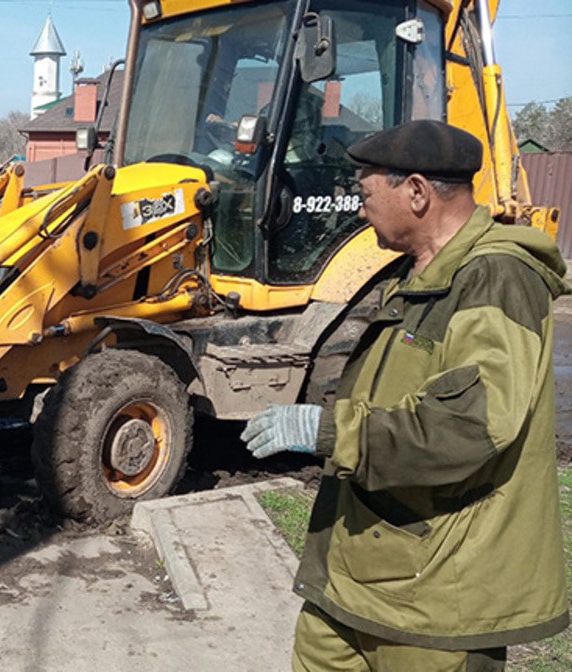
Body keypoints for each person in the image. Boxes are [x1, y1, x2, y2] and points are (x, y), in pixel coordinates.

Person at [241, 119, 569, 671]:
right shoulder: (412, 274)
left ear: (416, 192)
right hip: (354, 578)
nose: (359, 206)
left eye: (366, 192)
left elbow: (469, 428)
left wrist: (327, 430)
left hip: (435, 603)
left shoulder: (496, 280)